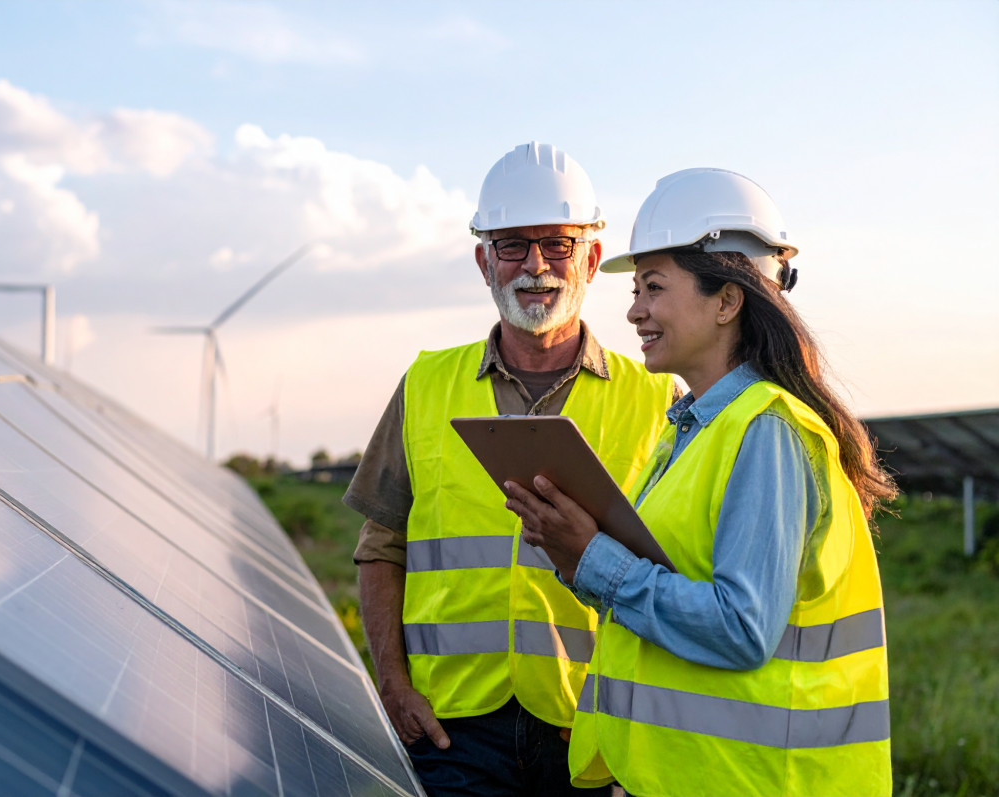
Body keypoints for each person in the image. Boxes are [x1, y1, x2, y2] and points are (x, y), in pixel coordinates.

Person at [504, 168, 897, 797]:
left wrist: (596, 560)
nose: (634, 311)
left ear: (727, 300)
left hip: (756, 781)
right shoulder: (689, 430)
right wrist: (571, 552)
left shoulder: (768, 432)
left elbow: (742, 628)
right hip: (684, 776)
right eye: (636, 289)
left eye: (653, 287)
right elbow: (661, 590)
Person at [344, 142, 676, 796]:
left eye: (556, 244)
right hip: (453, 729)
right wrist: (393, 686)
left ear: (592, 258)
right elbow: (382, 544)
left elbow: (679, 570)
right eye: (511, 246)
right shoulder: (427, 385)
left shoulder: (657, 401)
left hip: (591, 730)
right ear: (482, 261)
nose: (535, 266)